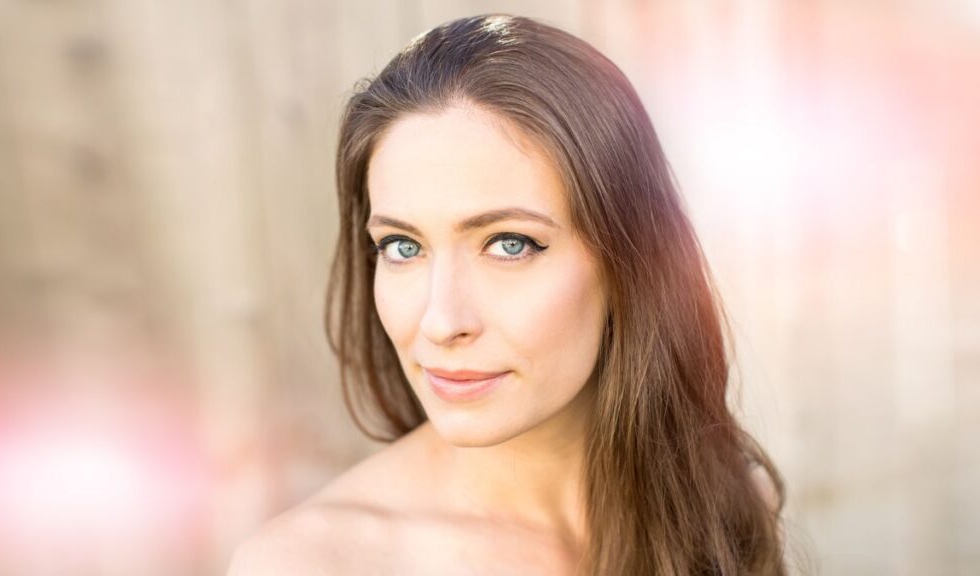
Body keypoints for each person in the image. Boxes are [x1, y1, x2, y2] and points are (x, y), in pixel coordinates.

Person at [230, 13, 787, 576]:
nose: (441, 322)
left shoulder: (721, 506)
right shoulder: (313, 565)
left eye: (510, 244)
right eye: (401, 247)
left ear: (633, 263)